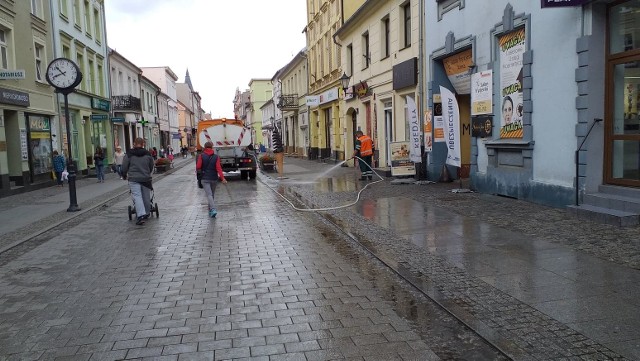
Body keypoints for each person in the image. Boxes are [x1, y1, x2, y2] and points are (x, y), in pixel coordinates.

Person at [122, 138, 155, 225]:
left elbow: (124, 166)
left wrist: (124, 174)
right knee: (146, 196)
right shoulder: (148, 154)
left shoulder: (129, 154)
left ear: (134, 144)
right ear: (143, 144)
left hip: (134, 178)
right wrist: (148, 172)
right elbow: (151, 166)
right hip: (145, 178)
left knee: (137, 196)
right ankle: (147, 213)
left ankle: (140, 215)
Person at [196, 141, 227, 218]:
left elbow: (198, 166)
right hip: (214, 178)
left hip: (204, 178)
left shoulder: (201, 156)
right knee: (211, 194)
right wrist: (223, 178)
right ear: (212, 147)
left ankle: (212, 209)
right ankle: (211, 210)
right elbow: (218, 168)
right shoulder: (216, 157)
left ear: (204, 147)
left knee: (209, 194)